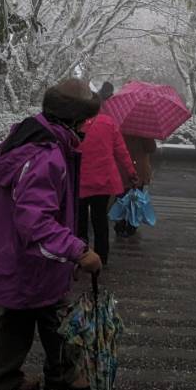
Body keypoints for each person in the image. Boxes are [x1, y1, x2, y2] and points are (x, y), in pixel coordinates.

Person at [0, 79, 103, 390]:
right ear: (73, 120)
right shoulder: (46, 155)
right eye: (86, 121)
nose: (88, 128)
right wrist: (78, 251)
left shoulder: (28, 135)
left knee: (20, 314)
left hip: (16, 251)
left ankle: (7, 377)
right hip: (31, 255)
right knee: (52, 311)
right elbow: (35, 220)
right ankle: (59, 376)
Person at [77, 81, 137, 265]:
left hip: (79, 181)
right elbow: (121, 151)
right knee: (100, 219)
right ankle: (102, 257)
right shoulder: (109, 123)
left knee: (79, 220)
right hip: (103, 181)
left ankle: (80, 253)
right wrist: (131, 172)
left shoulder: (74, 125)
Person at [117, 133, 156, 238]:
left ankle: (120, 222)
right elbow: (151, 148)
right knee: (135, 198)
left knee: (121, 196)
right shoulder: (144, 131)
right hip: (139, 169)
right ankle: (131, 225)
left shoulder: (120, 130)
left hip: (122, 168)